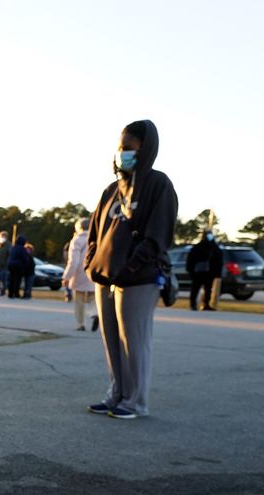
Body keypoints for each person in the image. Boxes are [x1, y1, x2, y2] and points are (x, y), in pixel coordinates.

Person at [85, 120, 178, 420]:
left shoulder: (158, 184)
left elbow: (158, 235)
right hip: (105, 277)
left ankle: (135, 401)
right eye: (120, 147)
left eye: (129, 147)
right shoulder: (112, 190)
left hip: (137, 279)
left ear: (145, 148)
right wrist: (91, 264)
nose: (122, 153)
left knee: (133, 341)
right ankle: (116, 394)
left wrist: (132, 266)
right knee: (111, 340)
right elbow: (95, 232)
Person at [62, 218, 98, 331]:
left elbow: (74, 261)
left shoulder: (77, 240)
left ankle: (81, 324)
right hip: (94, 271)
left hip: (80, 274)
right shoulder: (97, 238)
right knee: (93, 298)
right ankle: (94, 313)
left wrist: (66, 276)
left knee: (79, 300)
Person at [187, 230, 223, 311]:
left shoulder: (214, 247)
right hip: (198, 272)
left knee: (208, 289)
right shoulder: (198, 247)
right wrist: (191, 270)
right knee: (195, 289)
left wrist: (217, 272)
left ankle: (206, 304)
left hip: (210, 272)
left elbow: (219, 260)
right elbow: (191, 260)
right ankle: (193, 304)